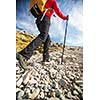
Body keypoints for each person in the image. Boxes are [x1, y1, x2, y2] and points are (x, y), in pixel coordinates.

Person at [17, 0, 69, 68]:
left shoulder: (44, 2)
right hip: (45, 19)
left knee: (47, 39)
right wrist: (65, 18)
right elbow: (58, 11)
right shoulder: (52, 1)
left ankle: (46, 58)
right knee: (43, 36)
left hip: (39, 20)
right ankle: (23, 55)